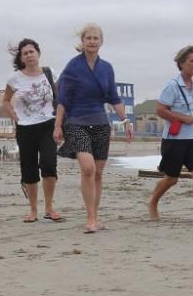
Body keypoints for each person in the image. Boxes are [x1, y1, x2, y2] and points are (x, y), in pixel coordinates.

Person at [54, 23, 133, 233]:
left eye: (96, 38)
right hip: (76, 122)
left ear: (101, 42)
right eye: (88, 38)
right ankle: (90, 219)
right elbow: (62, 99)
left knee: (98, 172)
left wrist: (126, 121)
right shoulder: (73, 66)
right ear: (83, 41)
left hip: (100, 123)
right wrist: (57, 126)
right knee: (87, 168)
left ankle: (95, 217)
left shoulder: (106, 68)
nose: (92, 41)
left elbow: (114, 98)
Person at [148, 45, 193, 222]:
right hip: (174, 140)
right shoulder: (172, 86)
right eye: (192, 61)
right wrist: (181, 117)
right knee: (171, 179)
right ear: (182, 64)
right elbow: (160, 110)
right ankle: (153, 203)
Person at [3, 38, 63, 223]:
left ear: (38, 53)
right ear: (21, 57)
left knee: (49, 164)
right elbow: (5, 100)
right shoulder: (15, 78)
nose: (29, 55)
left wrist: (60, 124)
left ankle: (49, 207)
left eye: (32, 51)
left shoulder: (49, 73)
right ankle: (33, 210)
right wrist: (15, 117)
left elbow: (59, 97)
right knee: (28, 169)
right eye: (25, 53)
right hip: (25, 128)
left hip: (48, 124)